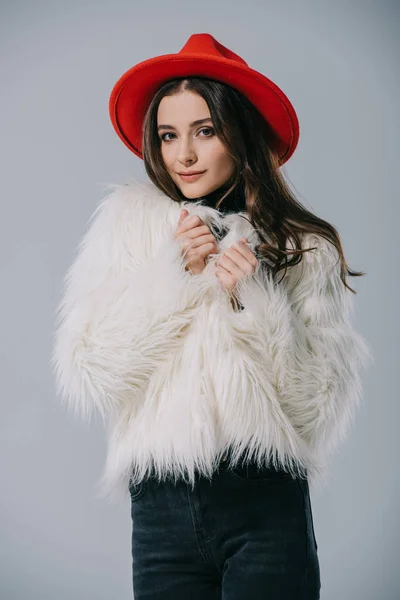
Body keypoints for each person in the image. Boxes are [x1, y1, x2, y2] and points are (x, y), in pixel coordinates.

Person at [51, 33, 373, 599]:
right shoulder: (129, 228)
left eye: (205, 130)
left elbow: (316, 405)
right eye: (168, 135)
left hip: (264, 504)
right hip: (160, 511)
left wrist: (256, 300)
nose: (185, 155)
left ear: (239, 131)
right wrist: (171, 277)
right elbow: (90, 367)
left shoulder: (303, 246)